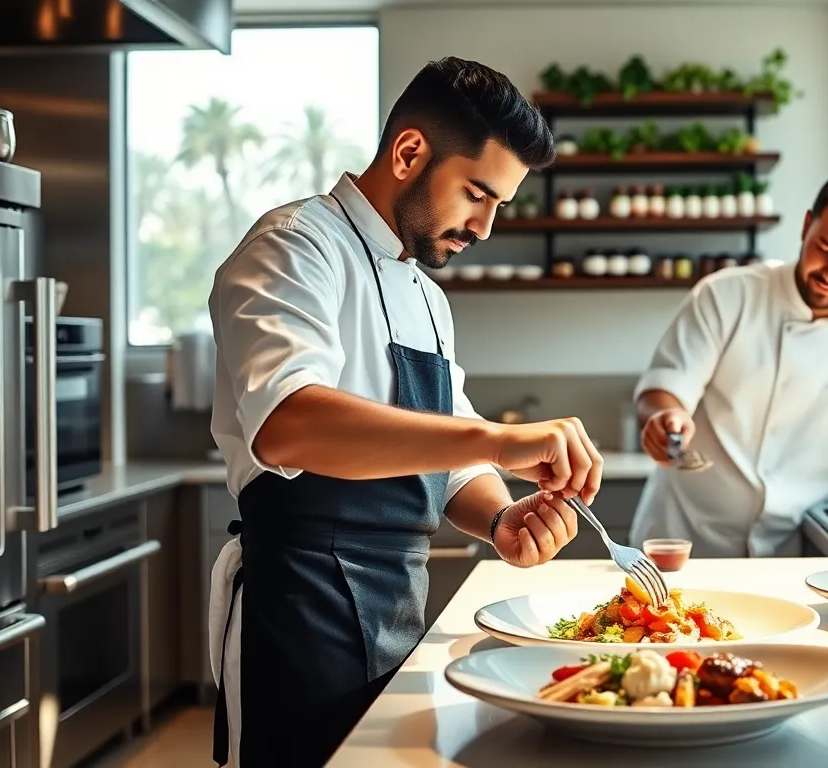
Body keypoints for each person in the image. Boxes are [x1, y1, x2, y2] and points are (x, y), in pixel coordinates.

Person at [206, 57, 603, 768]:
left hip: (397, 606)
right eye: (476, 194)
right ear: (410, 151)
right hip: (298, 618)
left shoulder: (427, 296)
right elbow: (289, 422)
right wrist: (501, 438)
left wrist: (500, 519)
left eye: (499, 206)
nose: (483, 226)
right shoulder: (294, 248)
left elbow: (450, 462)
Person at [631, 171, 828, 558]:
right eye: (825, 250)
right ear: (806, 226)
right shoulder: (726, 295)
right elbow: (667, 387)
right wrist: (665, 418)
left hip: (784, 553)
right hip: (682, 540)